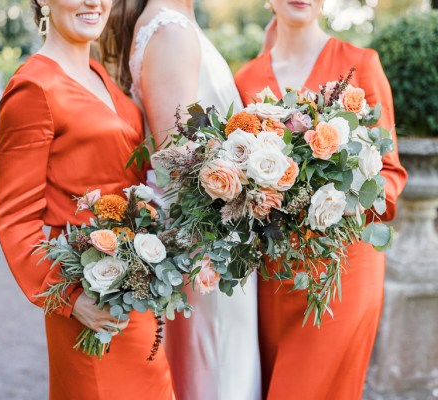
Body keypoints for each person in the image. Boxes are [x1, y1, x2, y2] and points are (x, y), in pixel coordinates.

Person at [0, 0, 174, 398]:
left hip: (136, 288)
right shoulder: (33, 87)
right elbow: (14, 217)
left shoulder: (101, 75)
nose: (95, 2)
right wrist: (71, 298)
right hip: (89, 299)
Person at [234, 1, 408, 399]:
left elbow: (390, 173)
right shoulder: (244, 79)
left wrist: (336, 201)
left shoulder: (360, 64)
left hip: (342, 270)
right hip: (274, 273)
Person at [99, 1, 261, 399]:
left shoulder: (174, 23)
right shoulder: (170, 32)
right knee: (220, 371)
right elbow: (177, 168)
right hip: (209, 245)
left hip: (218, 237)